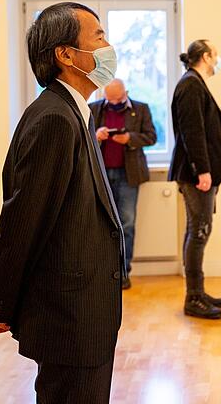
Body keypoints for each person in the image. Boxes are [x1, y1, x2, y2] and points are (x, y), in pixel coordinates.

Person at [0, 2, 125, 403]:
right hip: (70, 317)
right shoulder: (54, 119)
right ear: (65, 55)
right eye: (98, 37)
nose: (108, 46)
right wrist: (7, 303)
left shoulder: (73, 113)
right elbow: (22, 220)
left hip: (85, 312)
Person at [169, 39, 221, 320]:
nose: (218, 59)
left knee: (198, 231)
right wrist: (202, 171)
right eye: (215, 54)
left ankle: (198, 291)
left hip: (200, 171)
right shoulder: (190, 85)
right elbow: (191, 131)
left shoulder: (194, 83)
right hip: (196, 173)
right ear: (206, 57)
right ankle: (193, 297)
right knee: (199, 232)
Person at [91, 79, 157, 290]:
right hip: (100, 175)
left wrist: (129, 138)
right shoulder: (93, 109)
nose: (115, 103)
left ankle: (123, 272)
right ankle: (103, 272)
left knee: (126, 224)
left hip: (129, 175)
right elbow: (81, 138)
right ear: (104, 97)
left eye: (119, 99)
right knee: (100, 226)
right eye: (111, 100)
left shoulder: (141, 109)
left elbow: (151, 137)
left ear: (125, 93)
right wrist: (96, 136)